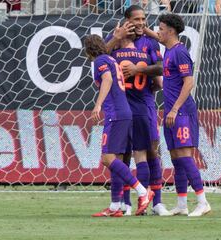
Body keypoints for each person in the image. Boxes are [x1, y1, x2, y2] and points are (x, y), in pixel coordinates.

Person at [107, 4, 170, 216]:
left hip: (145, 103)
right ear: (127, 20)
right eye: (137, 19)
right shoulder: (116, 38)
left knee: (152, 150)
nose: (141, 23)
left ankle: (157, 202)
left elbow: (161, 68)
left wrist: (138, 69)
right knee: (122, 154)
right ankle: (126, 203)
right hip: (122, 104)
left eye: (144, 19)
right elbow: (100, 58)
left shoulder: (150, 41)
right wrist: (116, 38)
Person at [84, 34, 154, 217]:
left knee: (108, 158)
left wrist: (98, 104)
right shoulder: (111, 59)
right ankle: (116, 206)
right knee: (116, 160)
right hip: (124, 113)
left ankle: (142, 192)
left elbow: (107, 79)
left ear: (87, 51)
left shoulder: (100, 61)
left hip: (115, 114)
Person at [157, 13, 211, 216]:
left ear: (171, 31)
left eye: (161, 28)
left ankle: (202, 201)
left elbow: (189, 82)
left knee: (184, 156)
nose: (158, 32)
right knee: (175, 158)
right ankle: (181, 204)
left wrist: (174, 109)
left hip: (181, 111)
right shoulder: (169, 51)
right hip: (171, 112)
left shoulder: (180, 52)